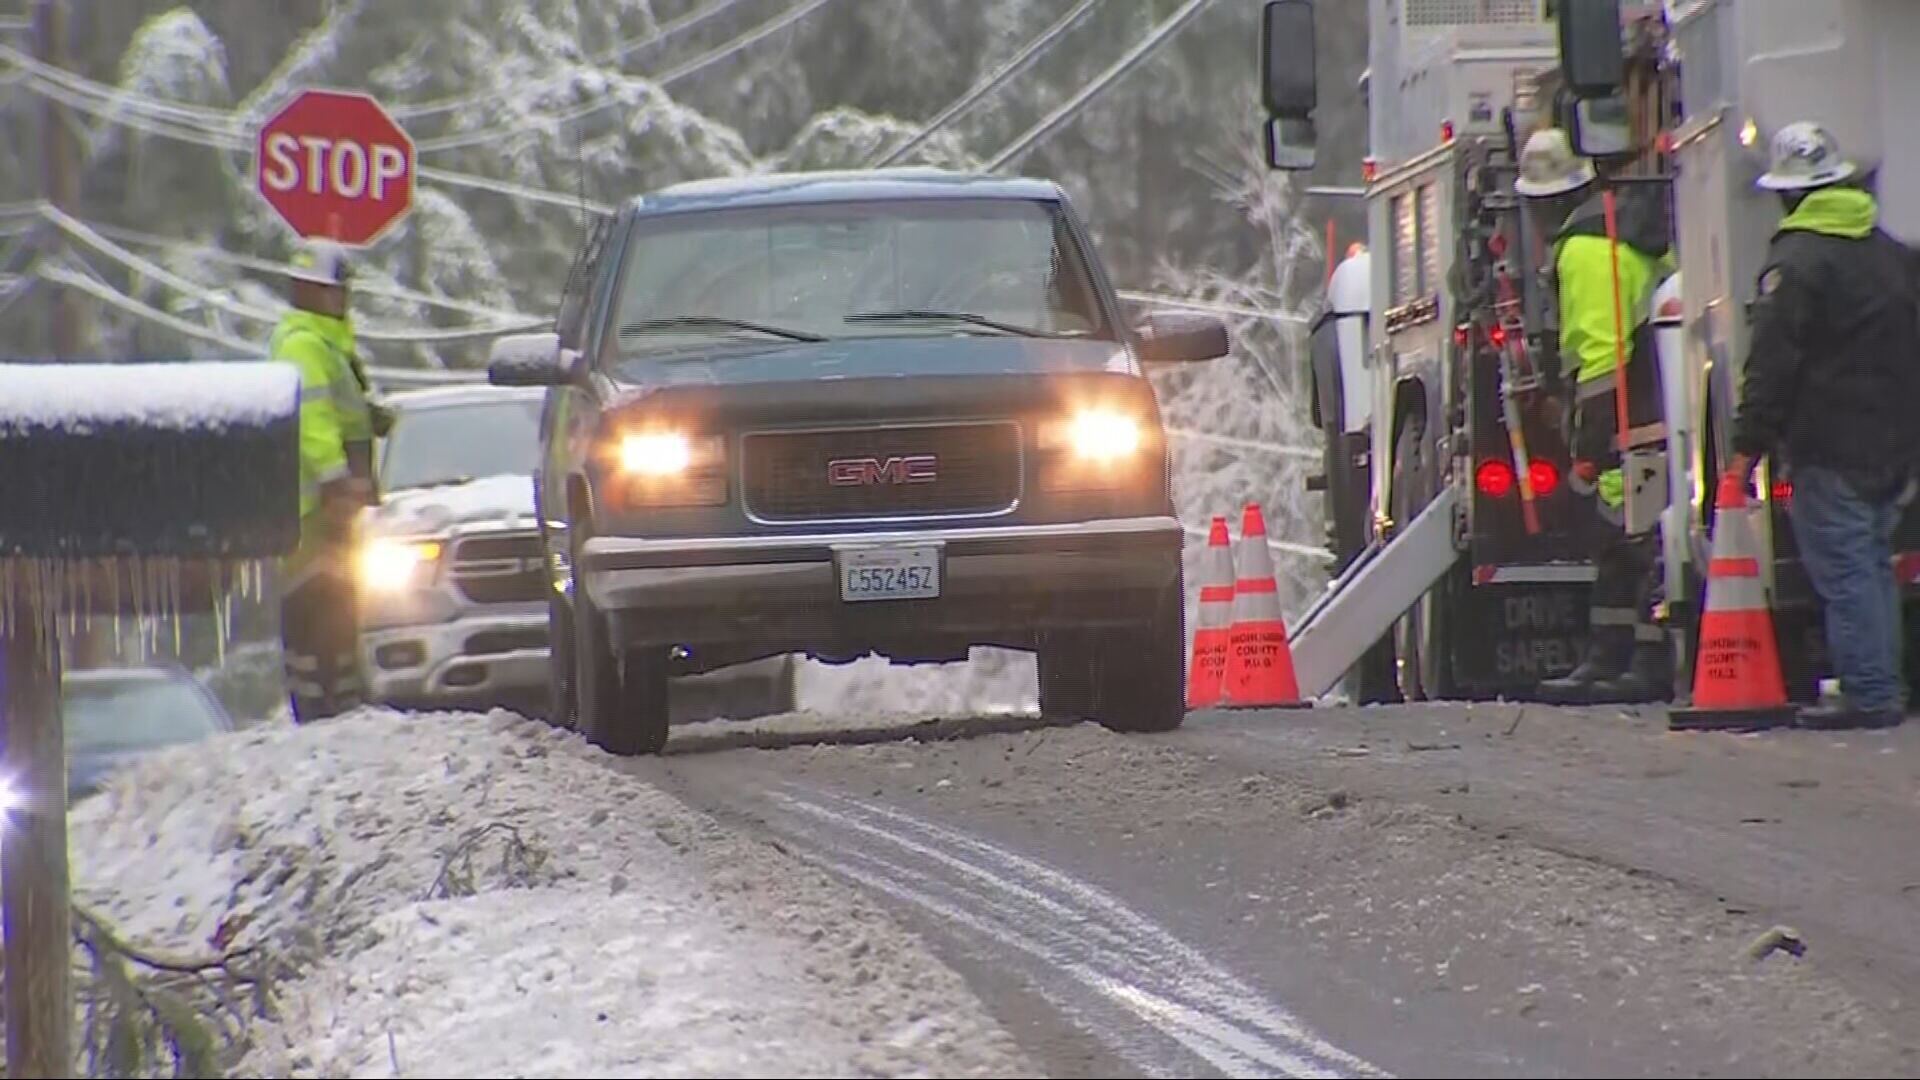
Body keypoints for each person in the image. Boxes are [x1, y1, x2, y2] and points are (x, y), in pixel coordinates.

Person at [1728, 122, 1920, 730]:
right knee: (1871, 561)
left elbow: (1772, 366)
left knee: (1846, 567)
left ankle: (1870, 693)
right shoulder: (1891, 253)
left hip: (1830, 444)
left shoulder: (1796, 262)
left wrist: (1744, 450)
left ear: (1788, 194)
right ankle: (1880, 683)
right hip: (1896, 442)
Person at [1513, 128, 1676, 704]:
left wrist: (1587, 447)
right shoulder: (1619, 233)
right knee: (1635, 532)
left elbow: (1601, 356)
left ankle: (1636, 662)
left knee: (1630, 531)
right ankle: (1618, 657)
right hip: (1655, 403)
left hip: (1630, 416)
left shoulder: (1583, 251)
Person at [271, 239, 378, 723]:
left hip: (333, 503)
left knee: (338, 599)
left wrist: (372, 419)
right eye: (337, 291)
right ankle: (318, 704)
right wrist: (335, 479)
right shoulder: (303, 345)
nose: (344, 299)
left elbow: (341, 411)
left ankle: (340, 698)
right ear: (311, 291)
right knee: (314, 601)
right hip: (312, 505)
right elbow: (313, 421)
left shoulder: (328, 344)